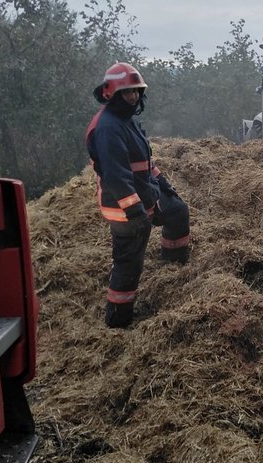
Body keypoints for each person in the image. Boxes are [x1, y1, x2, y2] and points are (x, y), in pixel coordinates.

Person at [85, 62, 190, 329]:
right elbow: (117, 178)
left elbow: (144, 163)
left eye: (136, 91)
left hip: (146, 195)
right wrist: (135, 213)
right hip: (123, 207)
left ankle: (172, 264)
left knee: (177, 210)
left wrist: (162, 184)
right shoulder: (108, 128)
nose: (133, 97)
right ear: (112, 93)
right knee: (129, 263)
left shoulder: (128, 120)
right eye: (127, 92)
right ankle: (118, 320)